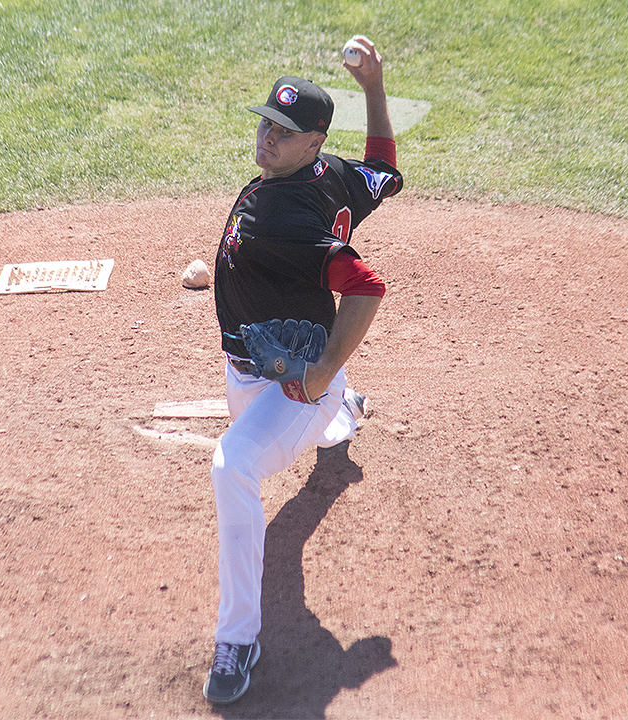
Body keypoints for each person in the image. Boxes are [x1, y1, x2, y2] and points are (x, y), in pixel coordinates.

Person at [203, 35, 404, 705]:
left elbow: (367, 285)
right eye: (266, 122)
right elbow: (381, 170)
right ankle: (338, 414)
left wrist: (318, 372)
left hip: (288, 383)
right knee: (285, 511)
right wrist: (374, 87)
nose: (267, 137)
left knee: (234, 465)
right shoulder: (328, 174)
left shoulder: (282, 216)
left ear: (313, 141)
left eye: (284, 133)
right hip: (258, 377)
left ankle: (238, 639)